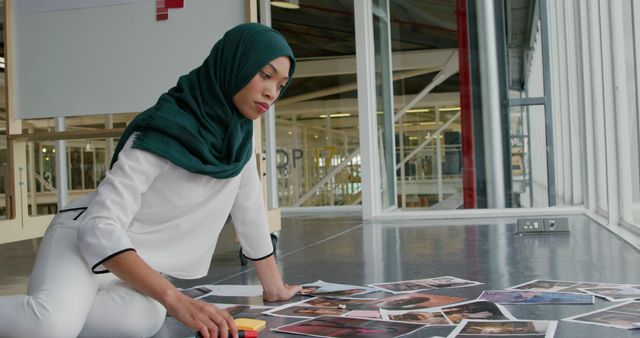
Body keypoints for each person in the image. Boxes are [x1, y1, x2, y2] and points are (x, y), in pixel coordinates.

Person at [0, 23, 301, 338]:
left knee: (139, 322)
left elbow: (248, 207)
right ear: (233, 65)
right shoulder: (164, 128)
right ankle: (55, 317)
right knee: (48, 326)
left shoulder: (239, 135)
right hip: (82, 245)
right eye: (265, 76)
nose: (272, 92)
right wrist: (174, 298)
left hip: (140, 268)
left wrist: (275, 287)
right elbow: (99, 225)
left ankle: (65, 315)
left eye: (281, 85)